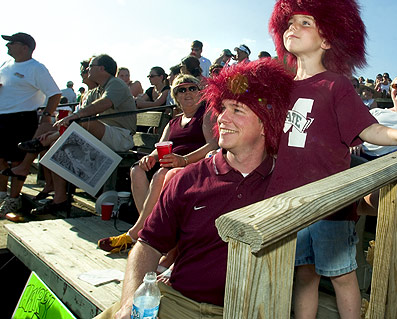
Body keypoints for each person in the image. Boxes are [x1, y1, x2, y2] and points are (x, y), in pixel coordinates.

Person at [267, 0, 397, 319]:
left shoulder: (335, 85)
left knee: (343, 278)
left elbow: (369, 129)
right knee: (305, 277)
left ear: (327, 39)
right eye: (290, 21)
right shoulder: (281, 87)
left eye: (306, 22)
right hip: (288, 201)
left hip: (330, 203)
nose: (294, 26)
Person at [96, 59, 295, 319]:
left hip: (250, 310)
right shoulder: (188, 179)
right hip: (178, 302)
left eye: (237, 110)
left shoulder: (286, 183)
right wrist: (130, 302)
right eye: (222, 108)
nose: (222, 118)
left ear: (265, 123)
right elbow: (147, 245)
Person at [98, 74, 218, 253]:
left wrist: (183, 160)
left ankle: (136, 234)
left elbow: (213, 145)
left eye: (192, 88)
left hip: (196, 167)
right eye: (181, 90)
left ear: (201, 92)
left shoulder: (205, 115)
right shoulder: (173, 122)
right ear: (175, 97)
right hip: (172, 165)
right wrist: (150, 157)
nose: (187, 93)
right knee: (137, 170)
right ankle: (150, 231)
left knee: (160, 175)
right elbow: (159, 147)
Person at [30, 54, 136, 215]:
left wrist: (73, 117)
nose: (87, 70)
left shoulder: (116, 84)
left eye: (91, 66)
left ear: (102, 68)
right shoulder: (96, 90)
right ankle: (60, 199)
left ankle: (42, 141)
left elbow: (103, 104)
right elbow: (85, 111)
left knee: (83, 122)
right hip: (102, 135)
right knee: (56, 146)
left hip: (121, 137)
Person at [0, 32, 62, 217]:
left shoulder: (36, 68)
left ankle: (13, 199)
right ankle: (2, 195)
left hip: (22, 118)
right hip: (2, 117)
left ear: (25, 47)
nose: (7, 46)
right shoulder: (5, 65)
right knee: (0, 158)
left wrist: (46, 116)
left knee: (18, 160)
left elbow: (55, 93)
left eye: (12, 43)